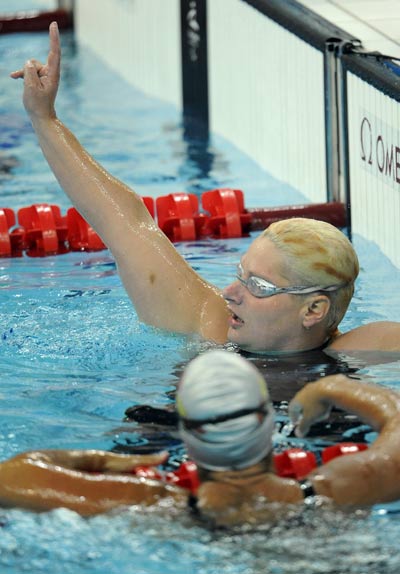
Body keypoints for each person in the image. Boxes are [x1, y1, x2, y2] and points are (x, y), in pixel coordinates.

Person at [10, 22, 400, 356]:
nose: (230, 292)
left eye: (258, 286)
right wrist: (44, 119)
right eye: (240, 274)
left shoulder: (367, 349)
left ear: (313, 310)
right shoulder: (207, 324)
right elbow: (124, 222)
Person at [0, 350, 399, 525]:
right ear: (267, 426)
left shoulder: (144, 504)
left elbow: (12, 476)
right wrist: (331, 387)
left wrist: (101, 462)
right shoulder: (342, 490)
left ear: (188, 440)